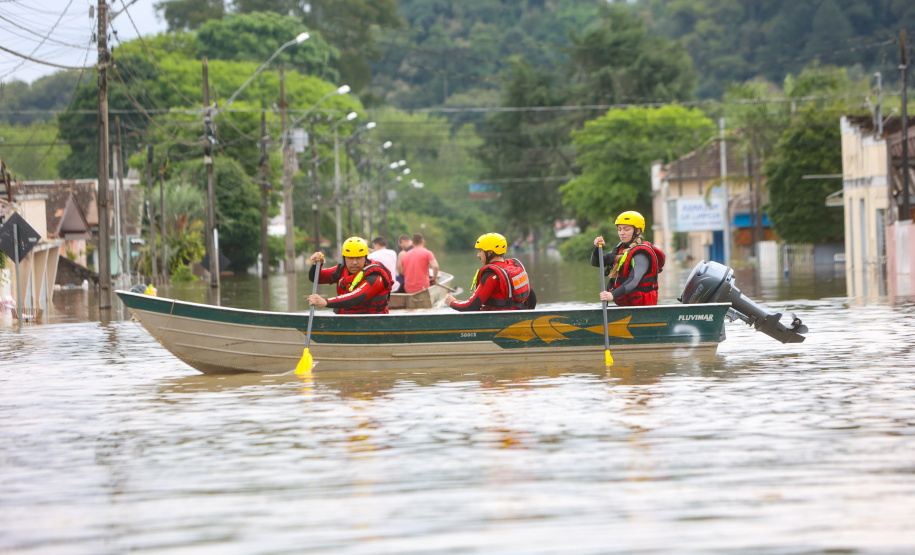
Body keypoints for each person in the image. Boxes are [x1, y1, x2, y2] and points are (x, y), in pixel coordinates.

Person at [446, 232, 536, 311]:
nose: (478, 255)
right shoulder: (513, 267)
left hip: (498, 321)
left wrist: (452, 302)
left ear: (490, 252)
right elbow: (532, 296)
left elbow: (471, 306)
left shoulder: (491, 275)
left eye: (480, 251)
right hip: (516, 318)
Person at [591, 211, 665, 306]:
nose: (622, 233)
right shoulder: (621, 250)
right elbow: (596, 262)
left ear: (637, 231)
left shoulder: (641, 254)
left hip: (643, 310)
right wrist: (598, 248)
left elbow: (634, 280)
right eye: (619, 229)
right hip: (628, 306)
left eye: (626, 230)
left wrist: (612, 295)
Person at [307, 236, 393, 314]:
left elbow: (357, 297)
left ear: (365, 257)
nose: (354, 262)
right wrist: (316, 265)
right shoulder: (341, 270)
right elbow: (316, 278)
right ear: (344, 258)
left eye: (359, 258)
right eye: (350, 258)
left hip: (371, 322)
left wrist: (326, 302)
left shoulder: (375, 277)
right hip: (348, 319)